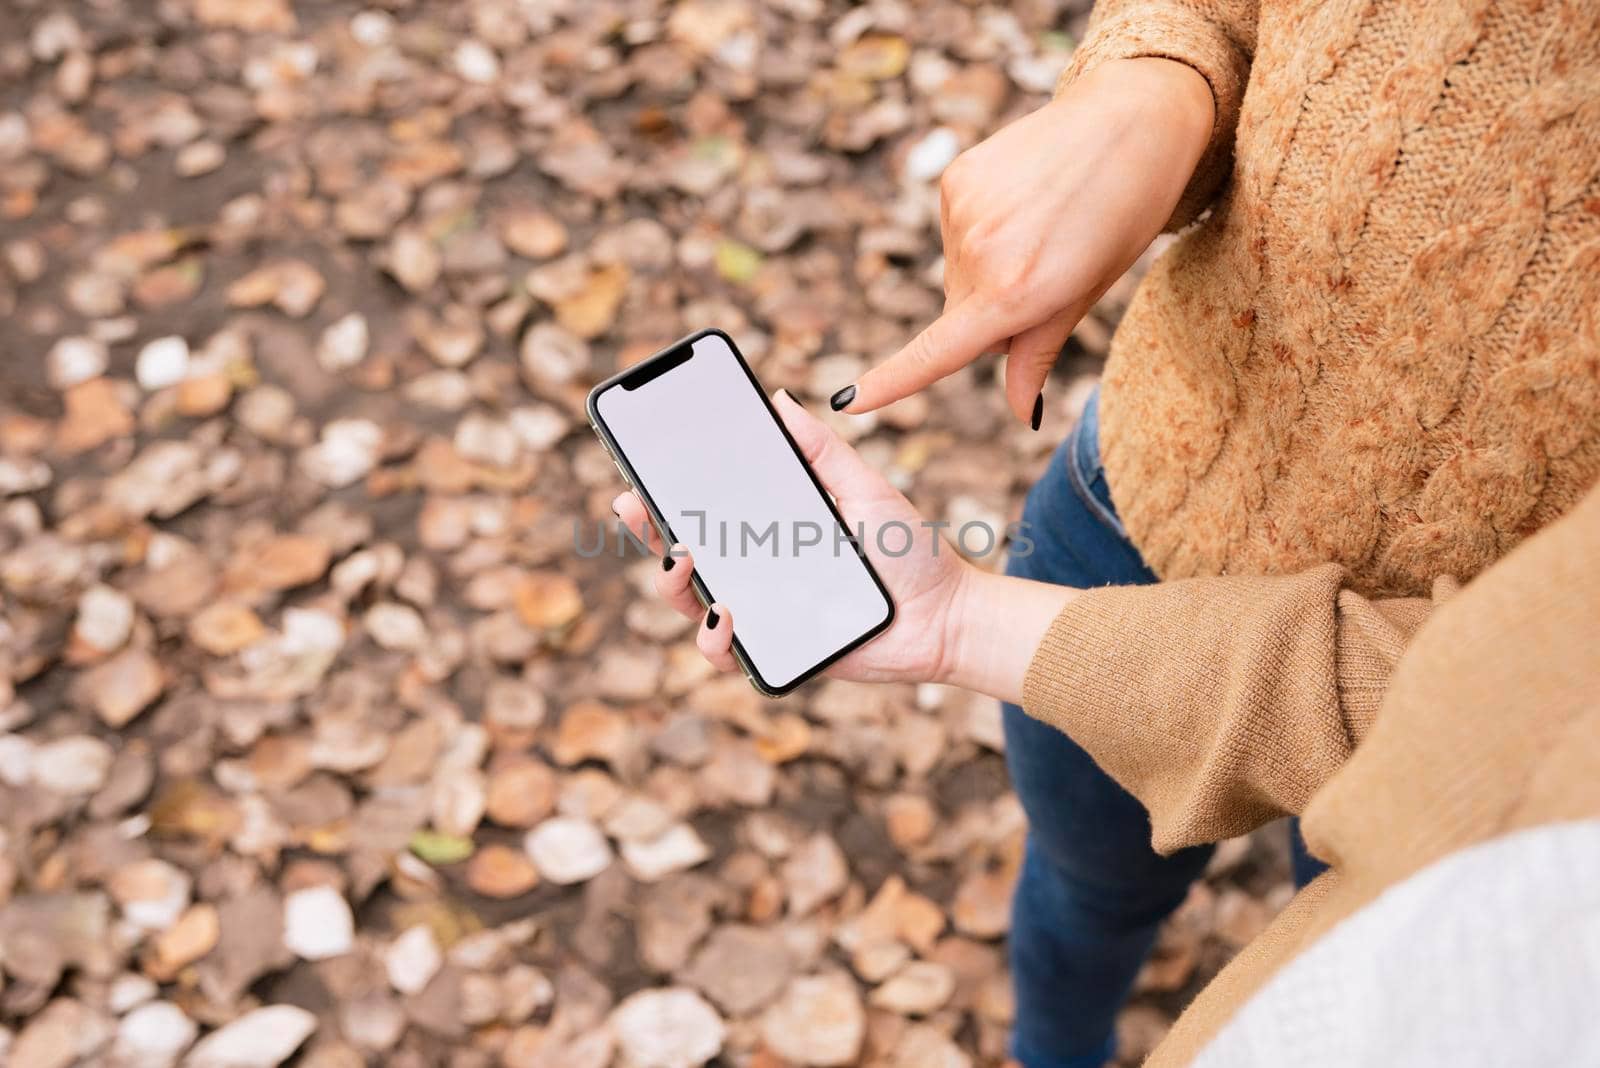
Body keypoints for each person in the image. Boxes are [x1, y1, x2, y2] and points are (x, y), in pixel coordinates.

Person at [616, 0, 1600, 1064]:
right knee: (1084, 891)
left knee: (1349, 975)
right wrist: (1153, 87)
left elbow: (1528, 704)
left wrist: (970, 624)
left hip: (1481, 775)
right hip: (1132, 507)